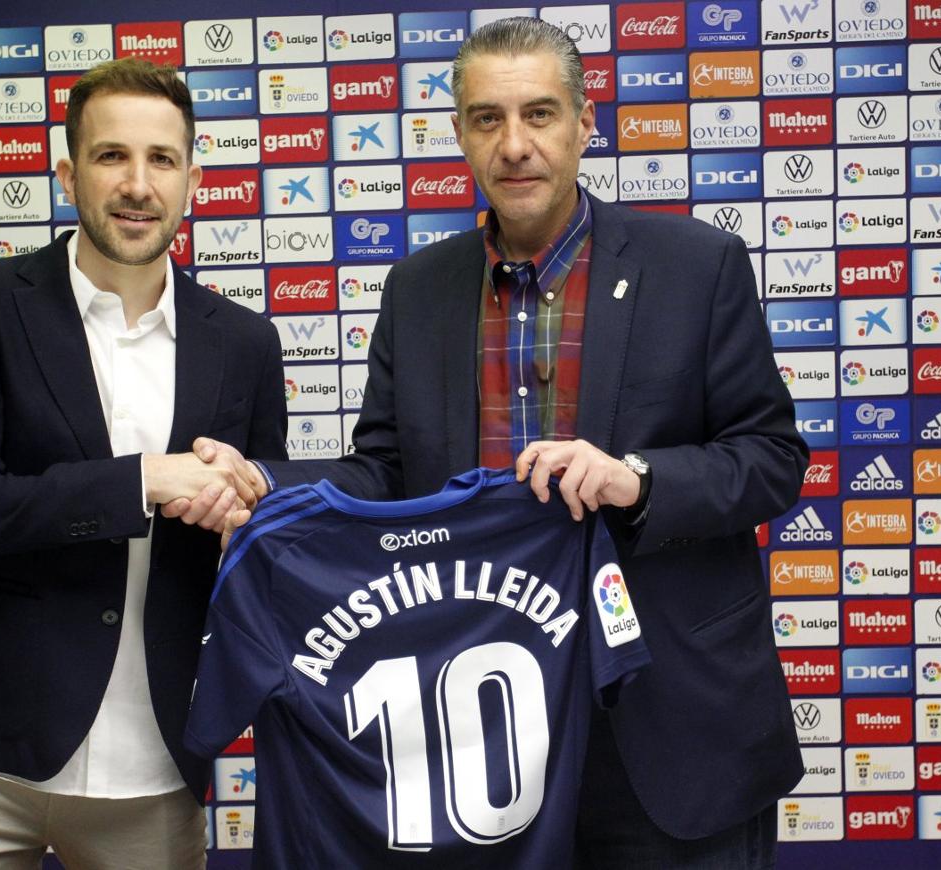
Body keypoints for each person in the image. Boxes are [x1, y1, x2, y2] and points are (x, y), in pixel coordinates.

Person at [193, 17, 807, 869]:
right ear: (460, 135)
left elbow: (772, 461)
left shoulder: (698, 267)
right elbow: (385, 471)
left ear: (586, 123)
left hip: (671, 722)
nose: (515, 144)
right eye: (488, 118)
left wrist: (634, 478)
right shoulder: (418, 289)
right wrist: (263, 479)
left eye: (540, 115)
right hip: (482, 739)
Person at [0, 58, 285, 868]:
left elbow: (263, 547)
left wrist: (244, 512)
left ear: (192, 178)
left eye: (162, 159)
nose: (138, 184)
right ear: (68, 172)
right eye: (112, 156)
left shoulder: (246, 343)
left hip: (156, 765)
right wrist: (144, 480)